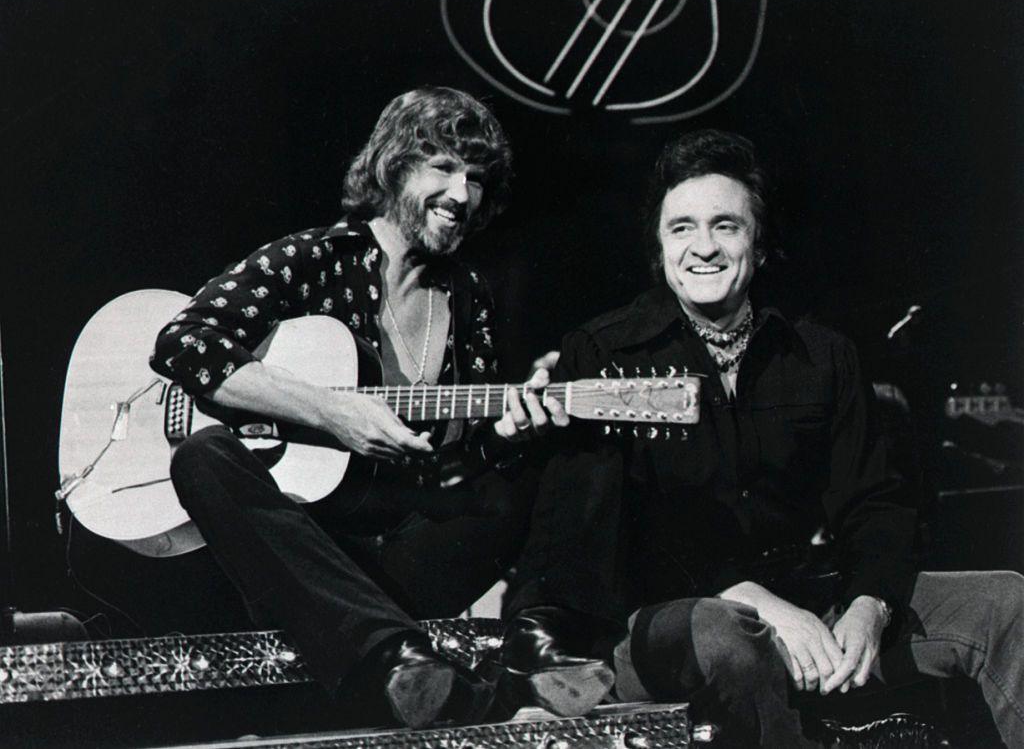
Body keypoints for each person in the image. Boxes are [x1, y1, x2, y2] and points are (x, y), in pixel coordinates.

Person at [500, 129, 1023, 747]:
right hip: (660, 618)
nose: (704, 248)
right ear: (659, 247)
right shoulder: (604, 350)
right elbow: (600, 543)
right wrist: (757, 602)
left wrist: (869, 605)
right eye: (681, 228)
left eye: (726, 226)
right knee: (729, 630)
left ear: (760, 244)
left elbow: (878, 502)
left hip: (801, 596)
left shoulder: (821, 355)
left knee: (1004, 601)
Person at [148, 87, 568, 728]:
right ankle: (405, 664)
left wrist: (506, 436)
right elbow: (184, 342)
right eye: (444, 168)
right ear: (395, 165)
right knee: (205, 455)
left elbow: (458, 453)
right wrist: (328, 411)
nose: (462, 194)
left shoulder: (469, 294)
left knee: (549, 468)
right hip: (304, 547)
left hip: (398, 549)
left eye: (477, 178)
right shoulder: (314, 258)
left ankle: (523, 655)